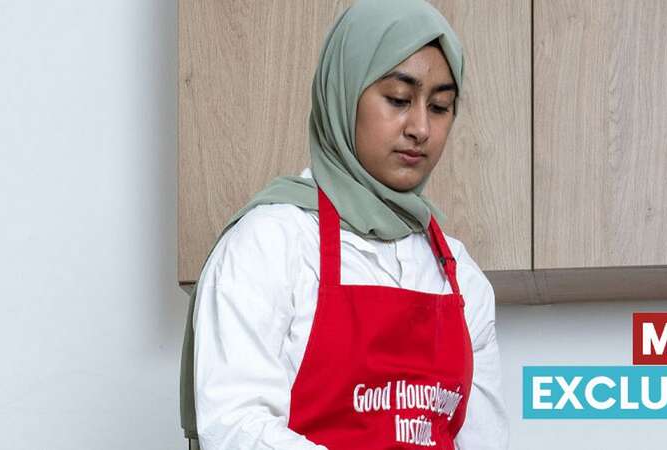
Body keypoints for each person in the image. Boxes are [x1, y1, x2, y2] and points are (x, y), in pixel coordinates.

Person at [179, 0, 509, 448]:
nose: (420, 128)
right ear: (344, 93)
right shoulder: (271, 243)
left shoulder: (458, 274)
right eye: (398, 99)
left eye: (440, 106)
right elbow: (234, 428)